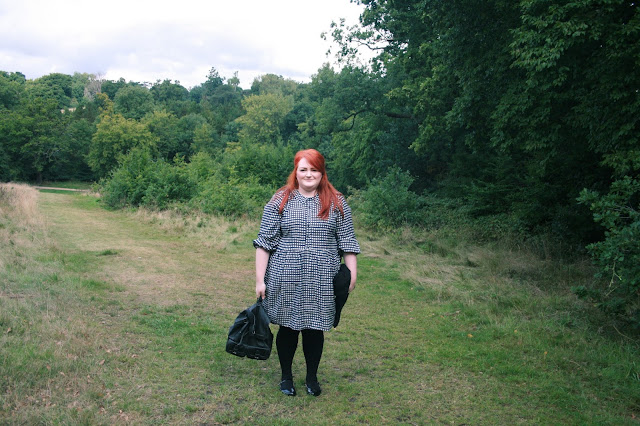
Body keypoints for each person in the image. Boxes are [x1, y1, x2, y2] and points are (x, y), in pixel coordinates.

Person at [253, 149, 360, 397]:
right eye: (303, 169)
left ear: (322, 173)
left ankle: (312, 377)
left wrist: (351, 275)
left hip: (322, 278)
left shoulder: (336, 202)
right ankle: (286, 377)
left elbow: (347, 242)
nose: (308, 174)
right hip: (285, 275)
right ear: (296, 172)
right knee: (288, 328)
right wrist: (260, 280)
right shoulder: (280, 200)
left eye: (314, 169)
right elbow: (264, 243)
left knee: (314, 329)